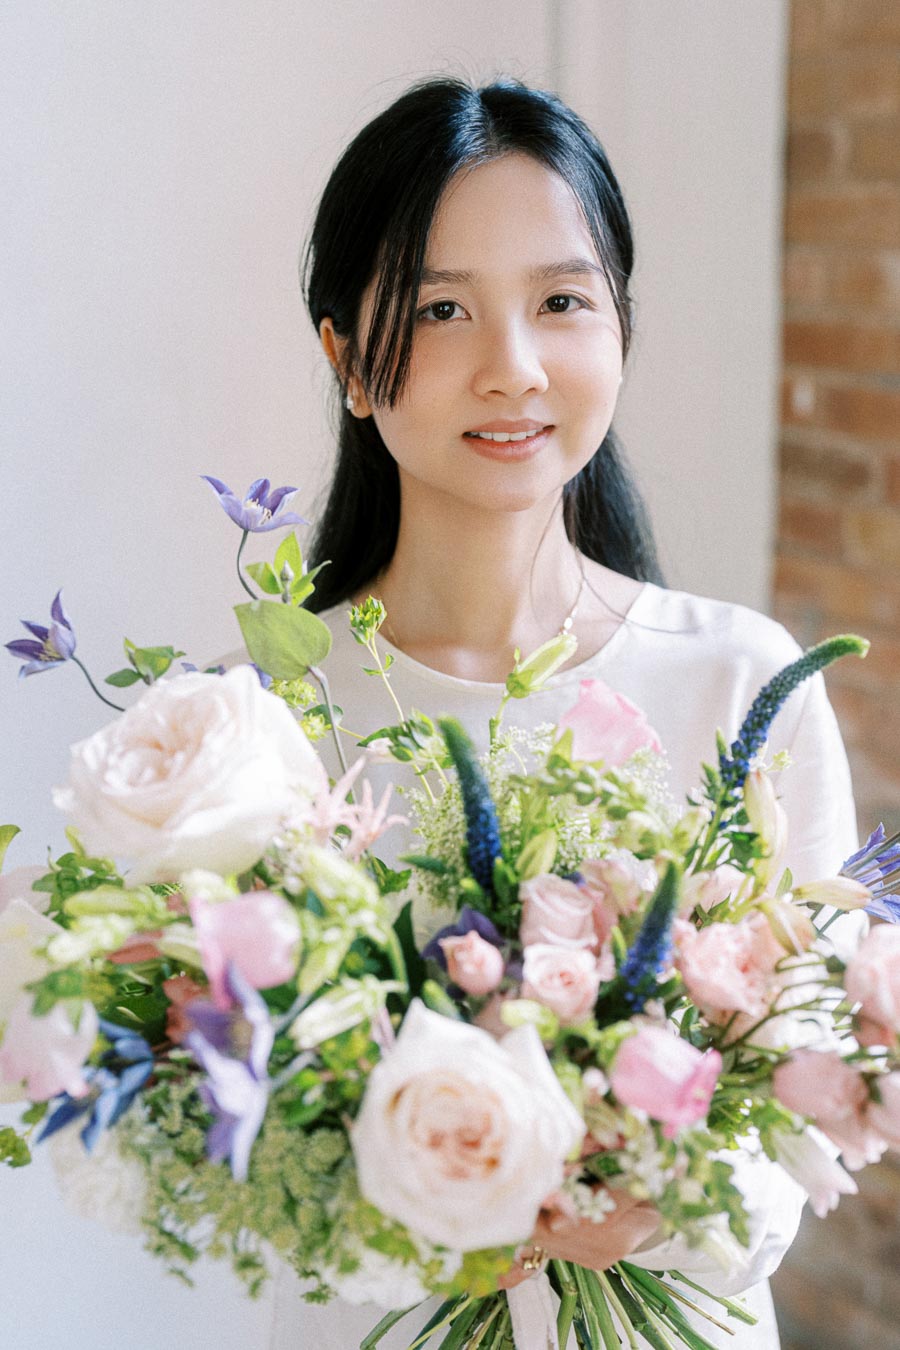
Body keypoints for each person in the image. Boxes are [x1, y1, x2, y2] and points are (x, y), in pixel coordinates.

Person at [265, 75, 860, 1348]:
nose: (515, 368)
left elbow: (816, 1105)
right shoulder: (266, 718)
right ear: (348, 362)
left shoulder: (741, 683)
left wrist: (663, 1206)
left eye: (562, 302)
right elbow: (242, 1152)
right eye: (441, 309)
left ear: (621, 330)